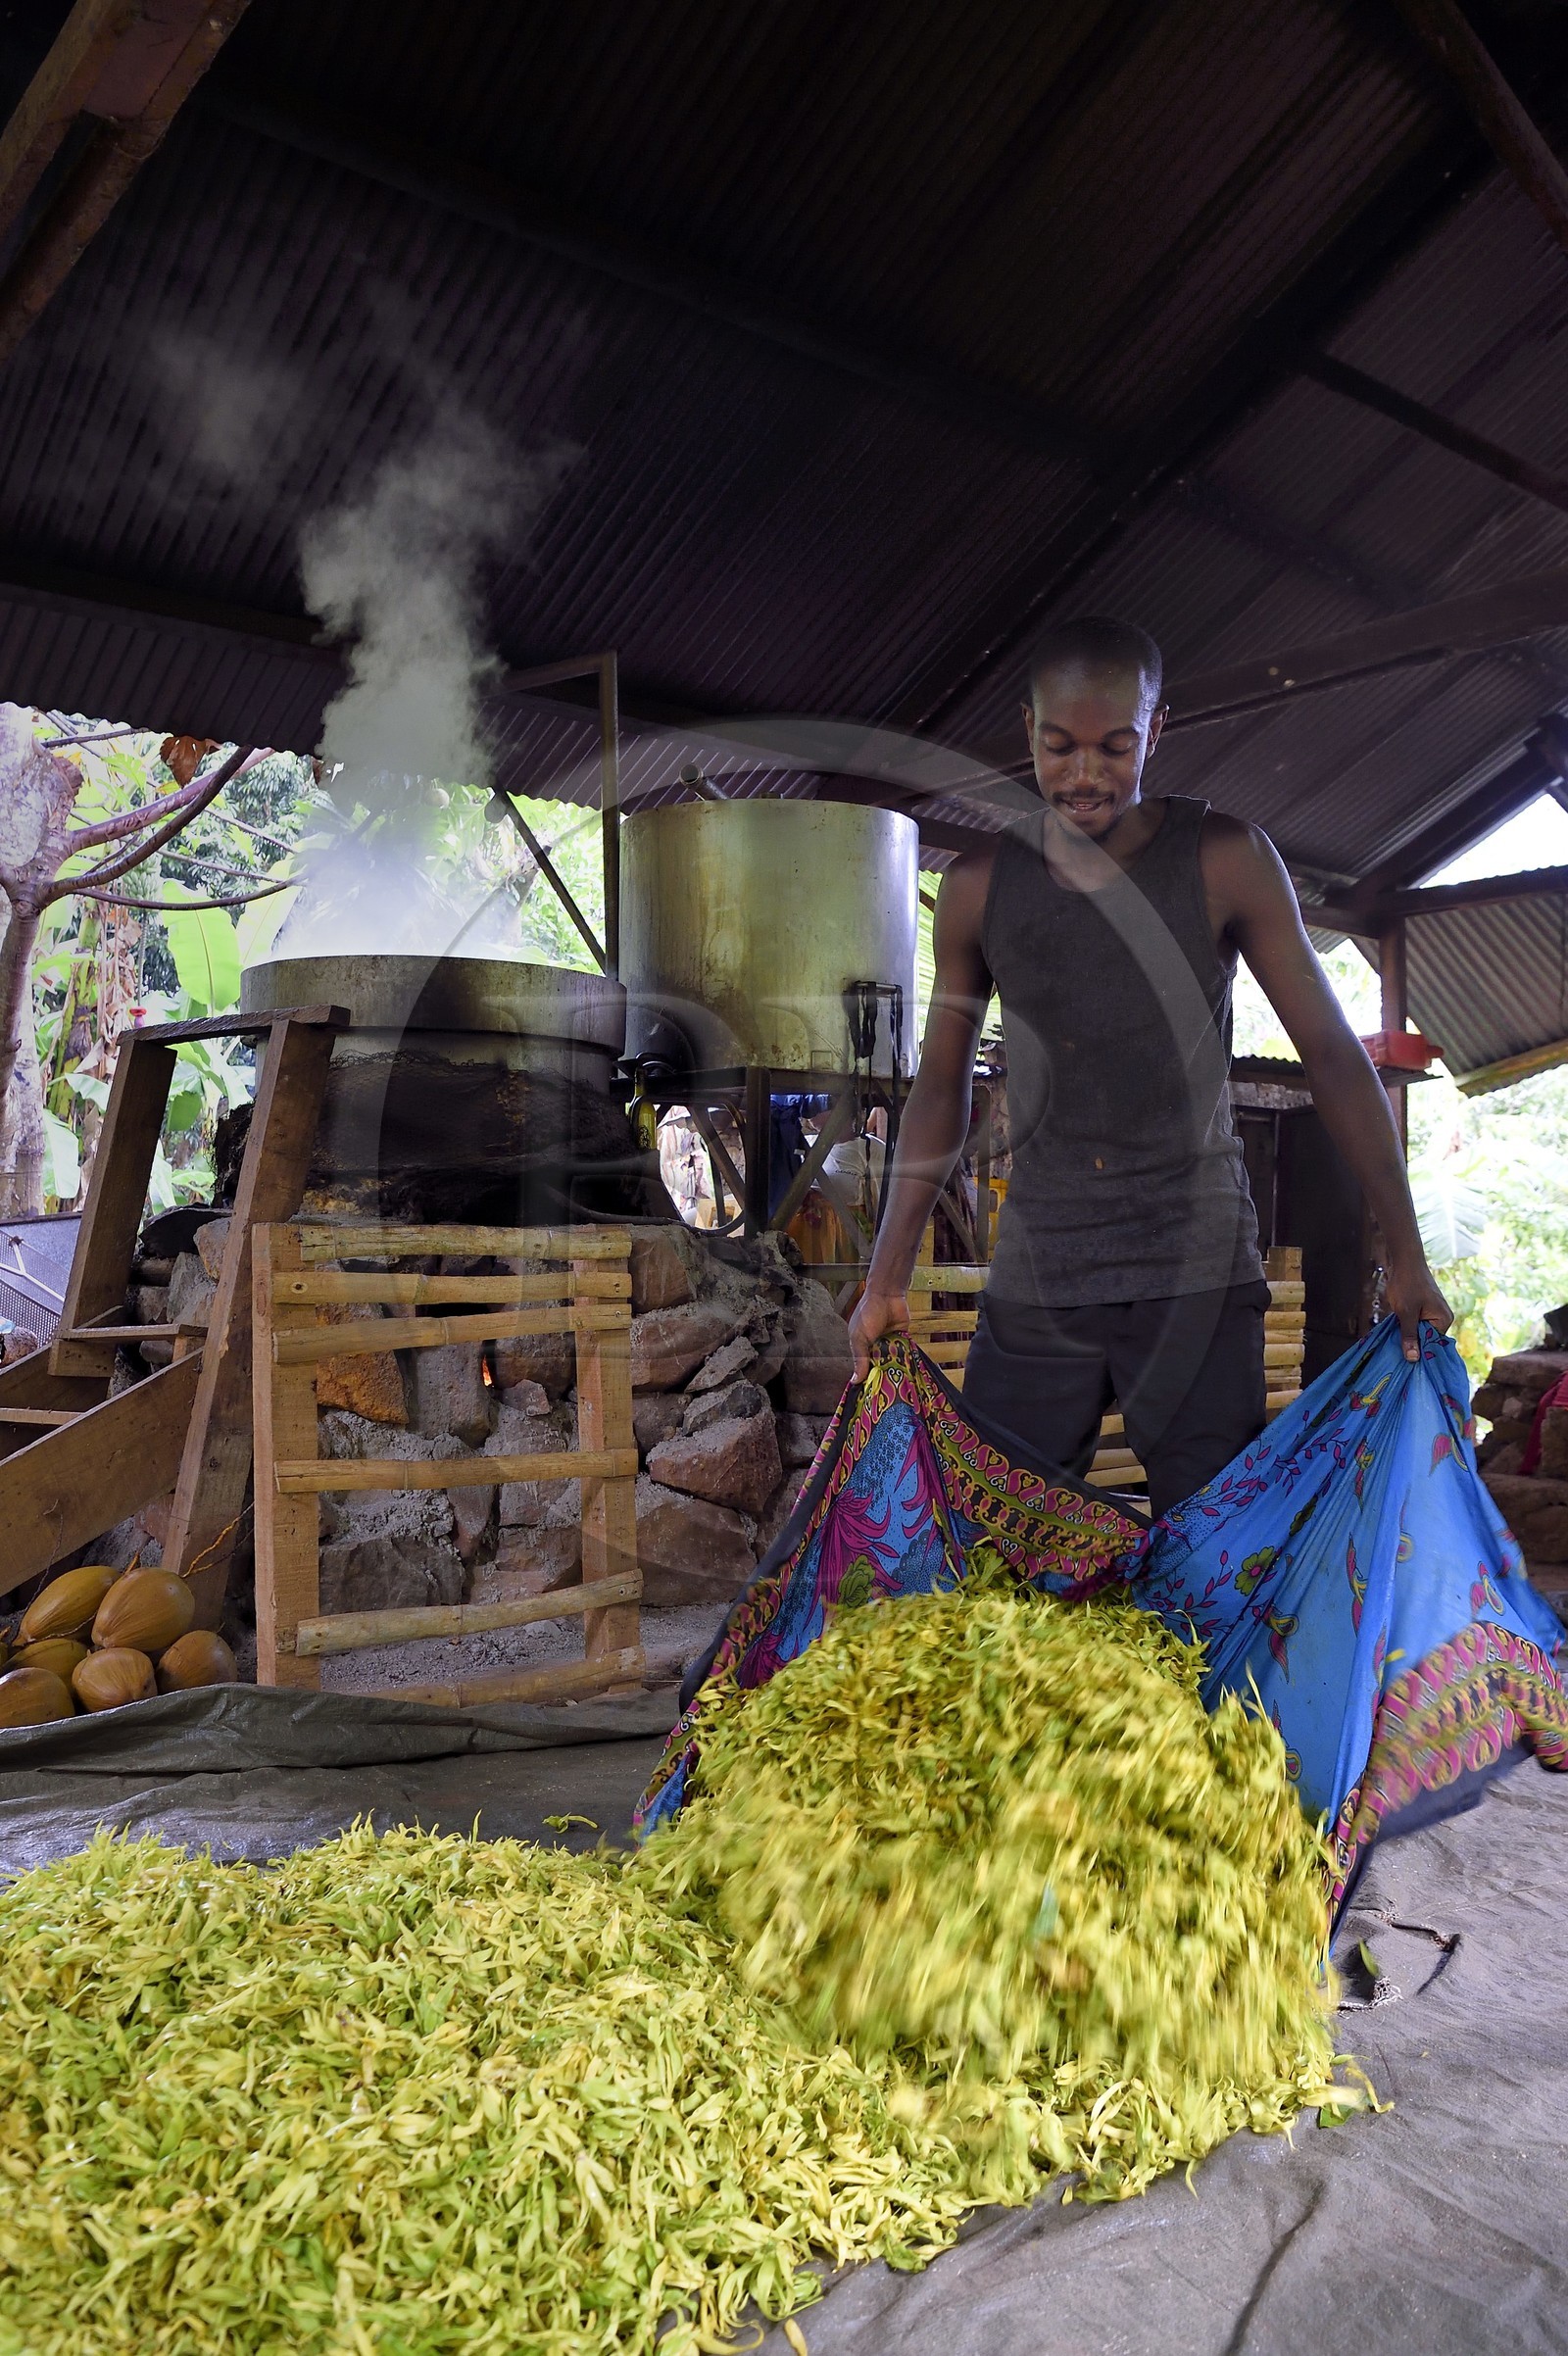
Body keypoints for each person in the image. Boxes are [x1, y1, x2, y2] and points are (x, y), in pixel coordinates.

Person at [849, 615, 1452, 1519]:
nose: (1084, 773)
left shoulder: (1224, 861)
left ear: (1155, 731)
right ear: (1028, 731)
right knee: (999, 1535)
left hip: (1196, 1268)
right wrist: (885, 1279)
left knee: (1209, 1551)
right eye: (1059, 746)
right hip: (1045, 1267)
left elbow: (1331, 1054)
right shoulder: (980, 887)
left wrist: (1404, 1256)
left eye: (1113, 746)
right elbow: (940, 1088)